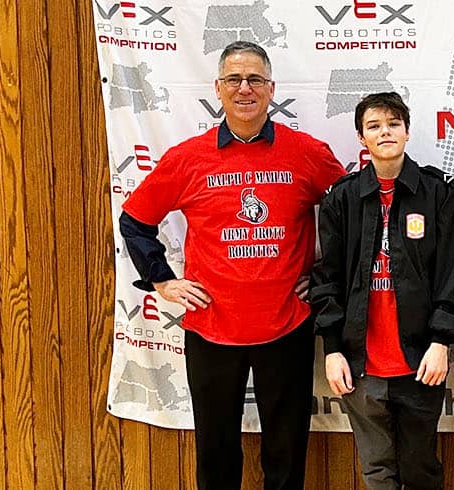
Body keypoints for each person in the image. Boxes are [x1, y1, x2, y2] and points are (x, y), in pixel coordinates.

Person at [117, 41, 345, 490]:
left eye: (255, 79)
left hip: (287, 324)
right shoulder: (187, 158)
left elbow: (353, 216)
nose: (245, 88)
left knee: (286, 449)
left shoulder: (307, 153)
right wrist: (162, 280)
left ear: (271, 88)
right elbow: (135, 220)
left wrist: (323, 279)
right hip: (211, 327)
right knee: (216, 450)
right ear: (218, 89)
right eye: (235, 80)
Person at [311, 92, 454, 490]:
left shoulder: (440, 192)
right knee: (377, 470)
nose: (385, 132)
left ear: (407, 130)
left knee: (421, 470)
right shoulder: (341, 198)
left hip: (421, 362)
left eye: (393, 124)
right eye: (374, 126)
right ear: (361, 138)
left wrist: (441, 342)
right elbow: (327, 277)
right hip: (361, 365)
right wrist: (332, 347)